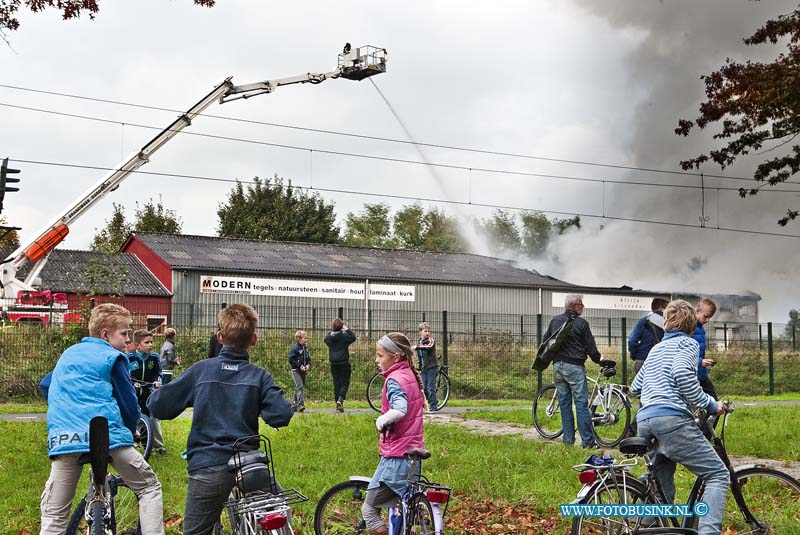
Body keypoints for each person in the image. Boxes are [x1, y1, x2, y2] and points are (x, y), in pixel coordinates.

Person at [148, 304, 293, 535]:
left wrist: (157, 394)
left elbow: (159, 407)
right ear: (253, 339)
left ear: (219, 337)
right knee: (280, 507)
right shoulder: (259, 376)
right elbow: (281, 415)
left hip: (208, 464)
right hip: (249, 465)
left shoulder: (201, 371)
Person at [38, 303, 164, 535]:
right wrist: (132, 429)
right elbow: (128, 403)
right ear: (105, 334)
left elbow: (46, 385)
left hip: (66, 439)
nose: (128, 341)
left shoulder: (69, 354)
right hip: (107, 437)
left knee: (55, 514)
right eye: (124, 334)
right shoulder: (113, 357)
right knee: (149, 487)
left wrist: (68, 405)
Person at [630, 299, 728, 535]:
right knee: (718, 474)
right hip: (671, 421)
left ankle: (645, 528)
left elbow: (635, 387)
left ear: (665, 324)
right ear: (692, 325)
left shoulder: (656, 349)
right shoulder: (688, 344)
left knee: (661, 485)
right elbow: (682, 374)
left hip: (645, 421)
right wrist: (710, 403)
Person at [361, 332, 426, 535]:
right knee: (400, 510)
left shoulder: (394, 380)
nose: (376, 360)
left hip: (396, 458)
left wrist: (381, 420)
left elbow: (400, 409)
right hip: (413, 455)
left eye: (380, 355)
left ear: (395, 357)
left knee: (369, 510)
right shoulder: (409, 375)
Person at [543, 294, 602, 448]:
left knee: (564, 404)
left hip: (558, 367)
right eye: (581, 304)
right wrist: (599, 360)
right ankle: (588, 442)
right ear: (574, 305)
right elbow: (590, 347)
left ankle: (568, 441)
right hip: (575, 367)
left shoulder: (555, 321)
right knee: (581, 404)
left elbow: (545, 342)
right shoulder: (581, 323)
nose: (583, 307)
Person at [128, 329, 165, 455]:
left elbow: (158, 374)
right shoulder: (130, 358)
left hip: (149, 392)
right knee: (135, 418)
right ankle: (135, 443)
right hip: (134, 393)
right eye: (147, 342)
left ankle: (158, 446)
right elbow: (126, 375)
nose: (150, 345)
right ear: (138, 345)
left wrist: (158, 381)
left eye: (151, 342)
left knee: (153, 418)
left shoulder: (154, 358)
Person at [628, 298, 669, 376]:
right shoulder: (669, 323)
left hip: (642, 361)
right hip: (661, 363)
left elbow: (632, 340)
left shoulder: (644, 321)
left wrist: (636, 356)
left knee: (640, 387)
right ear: (661, 308)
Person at [324, 318, 357, 412]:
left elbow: (325, 339)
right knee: (345, 382)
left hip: (333, 363)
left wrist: (333, 331)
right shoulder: (345, 336)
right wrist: (347, 329)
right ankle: (340, 399)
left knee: (336, 382)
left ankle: (337, 402)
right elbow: (353, 337)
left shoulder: (329, 337)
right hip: (344, 362)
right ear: (342, 326)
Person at [694, 298, 718, 400]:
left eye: (710, 317)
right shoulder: (688, 327)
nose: (708, 320)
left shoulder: (700, 328)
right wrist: (700, 361)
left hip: (701, 374)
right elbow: (681, 353)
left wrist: (704, 361)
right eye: (706, 316)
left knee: (714, 402)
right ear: (697, 311)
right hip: (691, 375)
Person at [412, 322, 439, 411]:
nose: (427, 333)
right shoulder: (419, 341)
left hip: (431, 367)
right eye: (425, 331)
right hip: (423, 368)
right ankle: (429, 402)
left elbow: (428, 347)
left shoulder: (431, 341)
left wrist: (417, 347)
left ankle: (433, 406)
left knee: (430, 387)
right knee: (423, 388)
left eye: (428, 331)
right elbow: (419, 353)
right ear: (420, 332)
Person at [288, 330, 311, 412]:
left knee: (299, 387)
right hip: (296, 371)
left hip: (304, 371)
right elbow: (291, 359)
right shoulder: (295, 348)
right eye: (305, 338)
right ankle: (301, 405)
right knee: (300, 386)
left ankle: (294, 404)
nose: (307, 340)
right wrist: (300, 365)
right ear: (299, 339)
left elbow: (308, 359)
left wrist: (308, 365)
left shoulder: (306, 348)